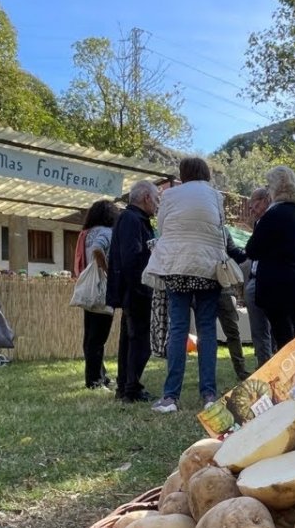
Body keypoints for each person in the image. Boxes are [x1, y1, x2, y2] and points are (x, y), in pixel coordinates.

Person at [142, 158, 227, 414]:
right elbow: (220, 227)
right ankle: (210, 395)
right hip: (208, 267)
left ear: (183, 174)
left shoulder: (170, 194)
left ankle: (170, 397)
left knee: (178, 329)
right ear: (206, 174)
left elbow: (163, 226)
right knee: (207, 330)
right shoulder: (216, 196)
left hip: (176, 265)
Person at [246, 166, 295, 352]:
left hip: (276, 284)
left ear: (274, 188)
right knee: (291, 332)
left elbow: (252, 249)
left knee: (282, 336)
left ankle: (290, 378)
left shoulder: (273, 215)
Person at [107, 180, 159, 404]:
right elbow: (132, 258)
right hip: (136, 290)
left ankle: (126, 386)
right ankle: (131, 389)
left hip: (133, 289)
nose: (157, 204)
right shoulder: (132, 219)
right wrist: (141, 287)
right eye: (156, 199)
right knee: (139, 341)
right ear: (146, 197)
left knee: (130, 341)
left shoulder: (133, 218)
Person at [81, 199, 119, 389]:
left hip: (91, 289)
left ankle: (99, 375)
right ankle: (94, 380)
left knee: (90, 336)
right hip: (102, 288)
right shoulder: (106, 232)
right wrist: (108, 270)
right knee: (98, 337)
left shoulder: (88, 233)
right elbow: (98, 249)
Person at [242, 187, 275, 368]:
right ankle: (264, 365)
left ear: (264, 200)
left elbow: (252, 249)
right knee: (258, 329)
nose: (250, 209)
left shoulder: (273, 218)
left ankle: (275, 365)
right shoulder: (258, 223)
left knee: (274, 327)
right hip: (255, 279)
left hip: (270, 280)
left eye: (252, 204)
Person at [219, 229, 252, 381]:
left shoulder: (223, 230)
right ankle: (207, 376)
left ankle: (241, 369)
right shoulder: (220, 230)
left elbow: (235, 253)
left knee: (232, 332)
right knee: (229, 333)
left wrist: (251, 250)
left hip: (224, 288)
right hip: (212, 289)